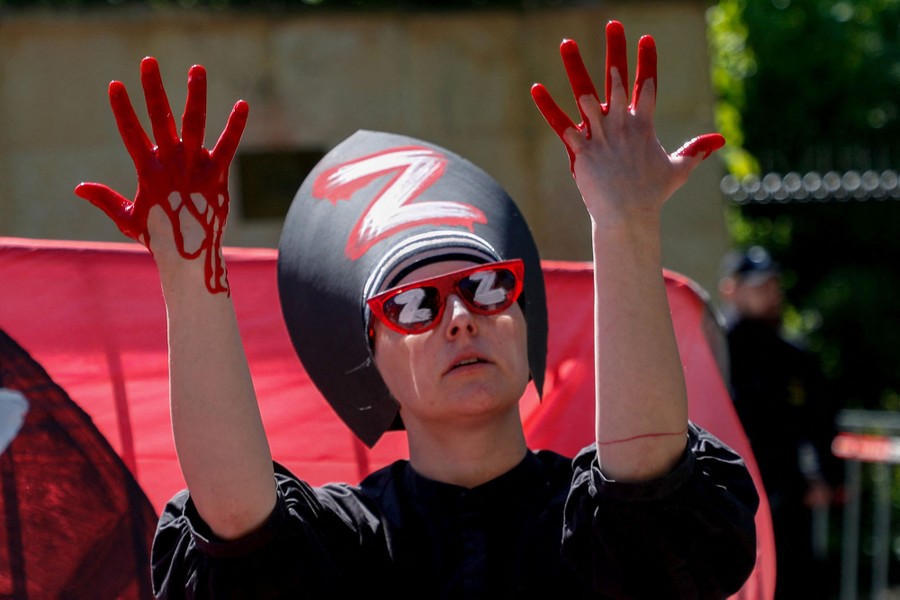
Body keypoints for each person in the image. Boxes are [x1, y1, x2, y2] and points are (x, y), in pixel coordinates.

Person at [76, 20, 758, 598]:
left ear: (527, 326)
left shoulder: (588, 520)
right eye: (412, 304)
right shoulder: (345, 541)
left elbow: (648, 505)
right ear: (370, 359)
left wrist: (626, 225)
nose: (461, 317)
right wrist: (192, 278)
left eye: (489, 287)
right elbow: (239, 537)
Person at [719, 246, 839, 599]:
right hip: (730, 499)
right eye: (759, 286)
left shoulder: (795, 358)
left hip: (788, 499)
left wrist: (824, 476)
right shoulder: (714, 352)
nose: (771, 294)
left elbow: (819, 422)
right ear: (732, 290)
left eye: (773, 285)